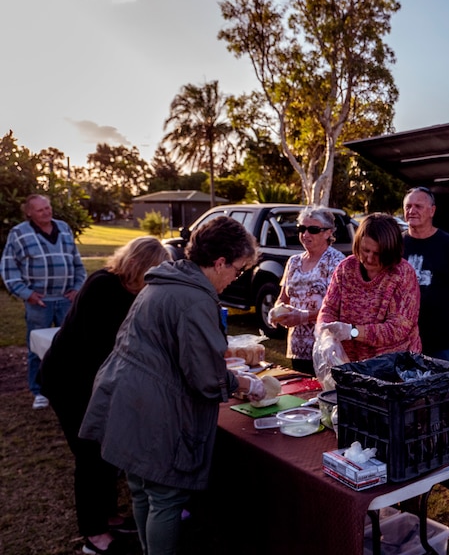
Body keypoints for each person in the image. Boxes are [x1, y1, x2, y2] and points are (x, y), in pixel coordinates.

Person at [79, 216, 265, 555]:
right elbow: (206, 378)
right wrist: (241, 382)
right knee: (165, 498)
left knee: (141, 491)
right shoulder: (195, 298)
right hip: (151, 409)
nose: (236, 278)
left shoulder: (164, 280)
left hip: (125, 399)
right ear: (220, 261)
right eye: (238, 270)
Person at [39, 236, 169, 555]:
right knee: (89, 455)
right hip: (70, 382)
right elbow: (103, 348)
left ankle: (108, 515)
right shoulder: (102, 286)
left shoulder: (129, 290)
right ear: (139, 266)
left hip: (96, 381)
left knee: (108, 452)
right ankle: (93, 533)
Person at [1, 194, 86, 410]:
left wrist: (77, 288)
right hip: (39, 302)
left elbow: (77, 262)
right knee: (36, 347)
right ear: (29, 212)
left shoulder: (64, 228)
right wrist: (26, 293)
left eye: (48, 208)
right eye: (40, 210)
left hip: (66, 300)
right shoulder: (19, 233)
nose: (47, 212)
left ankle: (67, 386)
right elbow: (9, 267)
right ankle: (39, 391)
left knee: (69, 345)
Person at [319, 213, 421, 361]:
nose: (369, 258)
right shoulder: (346, 268)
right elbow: (329, 308)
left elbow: (397, 329)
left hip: (394, 365)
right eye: (365, 250)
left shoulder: (402, 274)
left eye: (377, 254)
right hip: (349, 362)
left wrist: (352, 332)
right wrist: (326, 333)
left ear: (390, 251)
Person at [402, 186, 449, 361]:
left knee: (440, 386)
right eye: (408, 206)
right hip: (402, 337)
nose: (412, 211)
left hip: (440, 339)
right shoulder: (395, 244)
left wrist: (445, 306)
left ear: (432, 211)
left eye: (418, 206)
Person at [270, 207, 345, 374]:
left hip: (324, 347)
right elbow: (283, 297)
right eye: (301, 229)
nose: (305, 234)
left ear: (328, 233)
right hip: (297, 346)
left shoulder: (337, 261)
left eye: (313, 230)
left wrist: (303, 316)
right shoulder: (294, 262)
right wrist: (277, 311)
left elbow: (339, 307)